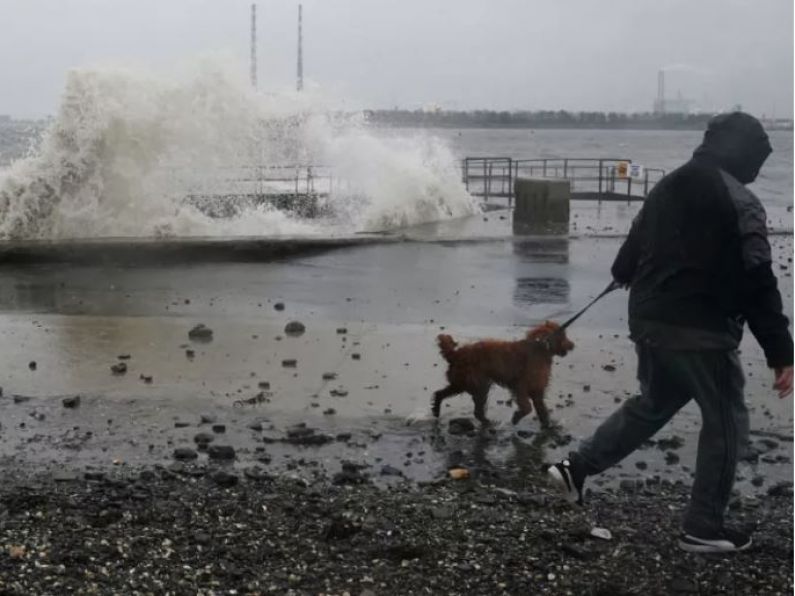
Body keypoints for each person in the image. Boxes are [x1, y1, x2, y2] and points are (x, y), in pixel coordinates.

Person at [543, 112, 793, 554]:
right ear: (746, 154)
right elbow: (758, 277)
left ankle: (575, 467)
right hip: (700, 329)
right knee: (727, 420)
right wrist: (780, 350)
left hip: (649, 319)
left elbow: (630, 254)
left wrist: (625, 274)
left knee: (654, 404)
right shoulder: (741, 200)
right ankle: (703, 527)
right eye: (759, 158)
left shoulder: (668, 185)